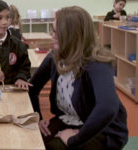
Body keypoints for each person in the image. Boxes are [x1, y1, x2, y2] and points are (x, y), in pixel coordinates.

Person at [28, 6, 128, 150]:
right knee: (33, 140)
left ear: (72, 35)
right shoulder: (54, 57)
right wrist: (38, 119)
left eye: (57, 32)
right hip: (71, 120)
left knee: (52, 146)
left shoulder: (97, 62)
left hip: (103, 129)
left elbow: (108, 108)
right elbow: (32, 88)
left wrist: (74, 140)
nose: (52, 35)